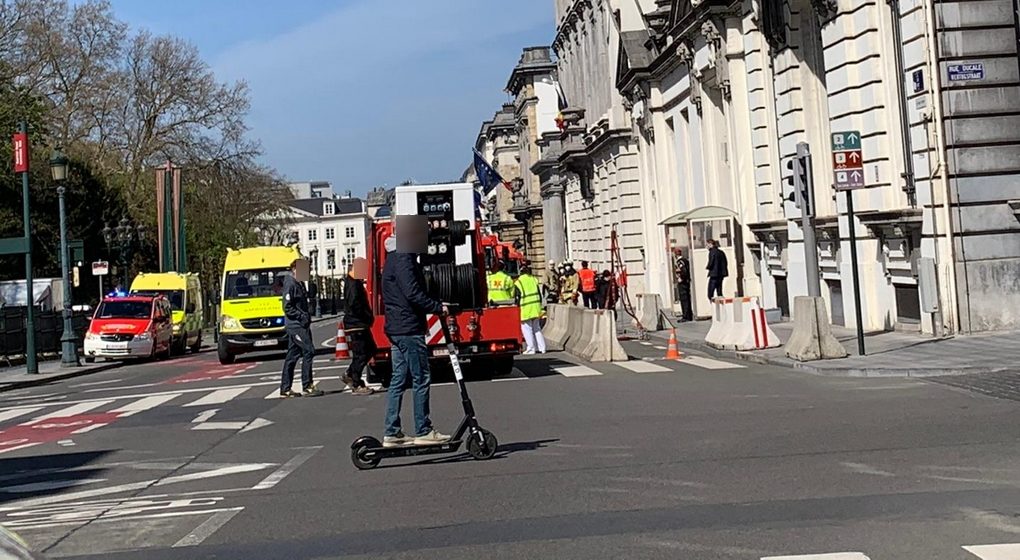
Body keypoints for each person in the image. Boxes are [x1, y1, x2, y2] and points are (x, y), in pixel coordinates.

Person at [380, 232, 450, 447]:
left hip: (397, 326)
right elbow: (412, 292)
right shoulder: (404, 259)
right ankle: (423, 429)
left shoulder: (393, 258)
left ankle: (392, 431)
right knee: (421, 377)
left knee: (398, 379)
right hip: (408, 327)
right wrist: (438, 307)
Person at [280, 259, 323, 398]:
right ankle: (307, 385)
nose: (308, 273)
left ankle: (286, 388)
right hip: (296, 326)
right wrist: (302, 316)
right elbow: (287, 307)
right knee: (309, 351)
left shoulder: (298, 284)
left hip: (300, 325)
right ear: (295, 269)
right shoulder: (291, 284)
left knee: (292, 356)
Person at [341, 259, 375, 395]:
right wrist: (366, 316)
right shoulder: (353, 284)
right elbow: (355, 303)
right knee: (362, 353)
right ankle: (355, 381)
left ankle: (350, 374)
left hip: (357, 323)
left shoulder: (353, 282)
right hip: (357, 324)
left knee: (368, 350)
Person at [514, 263, 546, 354]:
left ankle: (531, 348)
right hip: (536, 307)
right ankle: (542, 348)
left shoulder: (518, 282)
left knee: (527, 329)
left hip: (526, 308)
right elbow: (539, 295)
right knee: (537, 328)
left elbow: (517, 297)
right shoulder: (533, 279)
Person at [675, 249, 694, 321]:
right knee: (687, 298)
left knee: (684, 299)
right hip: (686, 282)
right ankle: (688, 315)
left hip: (683, 282)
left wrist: (681, 278)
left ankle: (685, 316)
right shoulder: (685, 260)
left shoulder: (680, 262)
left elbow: (683, 271)